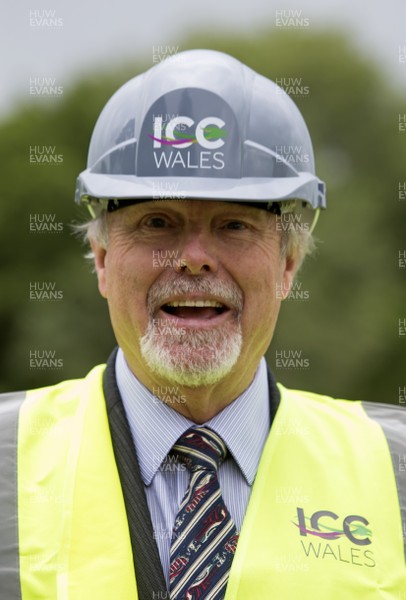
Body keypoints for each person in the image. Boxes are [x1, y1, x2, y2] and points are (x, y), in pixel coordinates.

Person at [0, 49, 405, 600]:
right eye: (157, 222)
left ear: (288, 264)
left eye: (234, 224)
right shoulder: (6, 459)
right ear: (100, 258)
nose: (194, 258)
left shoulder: (395, 470)